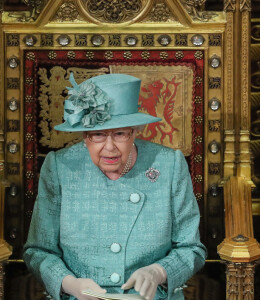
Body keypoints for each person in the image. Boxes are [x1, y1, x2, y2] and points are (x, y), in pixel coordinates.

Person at [23, 73, 207, 300]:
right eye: (98, 135)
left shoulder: (169, 165)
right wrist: (69, 284)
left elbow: (192, 248)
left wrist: (159, 272)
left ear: (135, 131)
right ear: (84, 135)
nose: (109, 147)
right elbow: (38, 251)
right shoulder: (60, 167)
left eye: (120, 133)